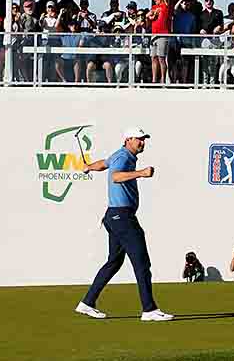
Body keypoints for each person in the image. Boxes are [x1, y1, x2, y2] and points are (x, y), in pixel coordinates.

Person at [75, 127, 173, 322]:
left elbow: (104, 164)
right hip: (122, 217)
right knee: (141, 261)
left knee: (114, 262)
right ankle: (149, 310)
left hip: (114, 217)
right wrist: (141, 173)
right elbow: (115, 176)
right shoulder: (124, 157)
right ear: (128, 139)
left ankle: (87, 303)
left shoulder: (119, 155)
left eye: (144, 139)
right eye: (139, 139)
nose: (143, 142)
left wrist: (88, 167)